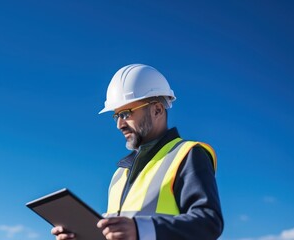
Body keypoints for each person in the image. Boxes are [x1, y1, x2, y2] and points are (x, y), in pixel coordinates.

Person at [51, 64, 223, 240]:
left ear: (157, 109)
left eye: (126, 113)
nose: (119, 124)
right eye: (116, 116)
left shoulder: (187, 154)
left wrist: (141, 229)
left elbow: (209, 223)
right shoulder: (120, 174)